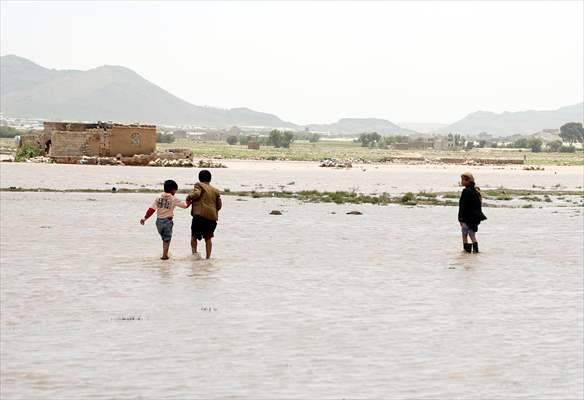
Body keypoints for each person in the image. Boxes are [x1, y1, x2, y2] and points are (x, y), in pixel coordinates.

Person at [140, 179, 190, 260]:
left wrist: (145, 218)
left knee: (164, 238)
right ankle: (164, 255)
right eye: (175, 190)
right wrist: (189, 200)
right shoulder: (173, 198)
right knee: (167, 239)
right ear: (173, 190)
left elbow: (151, 209)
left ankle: (165, 253)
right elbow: (185, 206)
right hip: (167, 221)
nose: (175, 192)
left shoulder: (158, 198)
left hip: (158, 222)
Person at [188, 170, 222, 259]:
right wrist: (212, 210)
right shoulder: (215, 191)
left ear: (199, 178)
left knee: (194, 236)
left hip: (199, 216)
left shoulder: (198, 185)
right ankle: (208, 258)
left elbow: (196, 194)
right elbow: (219, 206)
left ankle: (194, 255)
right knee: (208, 238)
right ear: (210, 179)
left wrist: (189, 196)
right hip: (212, 218)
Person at [458, 172, 487, 253]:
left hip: (466, 217)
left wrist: (460, 218)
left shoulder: (466, 191)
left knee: (464, 235)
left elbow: (462, 206)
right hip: (474, 217)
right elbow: (477, 206)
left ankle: (466, 252)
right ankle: (475, 251)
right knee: (472, 234)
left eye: (463, 180)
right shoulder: (475, 191)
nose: (461, 181)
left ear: (468, 181)